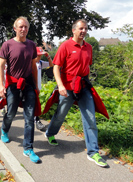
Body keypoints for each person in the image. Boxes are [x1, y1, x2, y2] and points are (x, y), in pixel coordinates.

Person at [44, 19, 108, 167]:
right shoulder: (65, 46)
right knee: (61, 114)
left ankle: (93, 152)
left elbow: (87, 66)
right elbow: (56, 67)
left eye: (86, 28)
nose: (84, 31)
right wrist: (60, 86)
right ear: (74, 30)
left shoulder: (89, 47)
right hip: (67, 87)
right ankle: (50, 133)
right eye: (81, 28)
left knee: (90, 118)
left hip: (83, 86)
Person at [0, 16, 41, 163]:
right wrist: (1, 86)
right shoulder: (7, 45)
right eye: (21, 27)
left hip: (28, 83)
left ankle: (28, 148)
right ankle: (5, 128)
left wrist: (36, 85)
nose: (23, 29)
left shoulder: (31, 45)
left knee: (30, 117)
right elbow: (1, 67)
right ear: (15, 28)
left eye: (26, 27)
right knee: (11, 112)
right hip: (13, 83)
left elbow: (33, 66)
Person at [34, 46, 53, 130]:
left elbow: (51, 64)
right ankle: (36, 120)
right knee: (34, 104)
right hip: (31, 87)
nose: (39, 57)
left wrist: (48, 56)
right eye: (38, 55)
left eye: (40, 55)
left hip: (38, 87)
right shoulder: (29, 63)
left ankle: (35, 119)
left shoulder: (40, 63)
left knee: (35, 104)